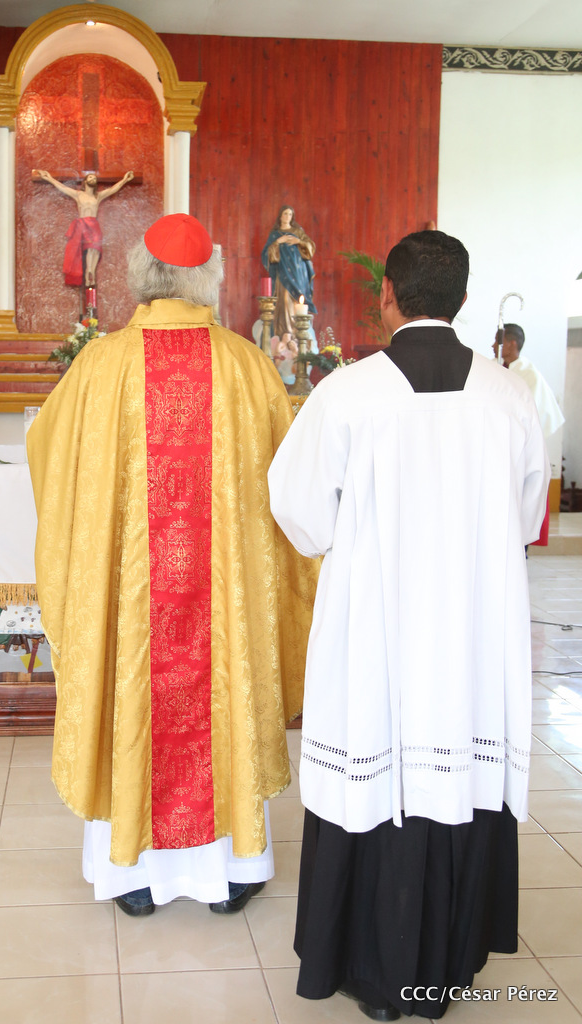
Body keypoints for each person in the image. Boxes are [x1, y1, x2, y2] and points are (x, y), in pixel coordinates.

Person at [268, 230, 549, 1021]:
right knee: (460, 768)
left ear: (387, 294)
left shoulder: (347, 393)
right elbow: (528, 511)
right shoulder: (508, 396)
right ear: (464, 300)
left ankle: (372, 973)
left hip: (375, 628)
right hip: (473, 635)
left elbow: (299, 511)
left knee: (373, 759)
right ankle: (450, 963)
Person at [27, 213, 318, 918]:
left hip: (133, 601)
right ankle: (233, 868)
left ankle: (129, 872)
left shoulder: (101, 365)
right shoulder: (247, 366)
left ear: (140, 276)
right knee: (225, 685)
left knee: (133, 688)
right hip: (223, 598)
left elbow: (48, 454)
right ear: (207, 280)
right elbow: (290, 486)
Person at [495, 323, 564, 547]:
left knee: (519, 509)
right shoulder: (498, 369)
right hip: (501, 451)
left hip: (520, 453)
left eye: (498, 341)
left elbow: (533, 418)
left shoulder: (528, 375)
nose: (493, 345)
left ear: (511, 343)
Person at [34, 169, 134, 287]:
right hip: (82, 225)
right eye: (90, 177)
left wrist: (125, 180)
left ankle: (91, 272)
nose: (93, 179)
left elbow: (112, 189)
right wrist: (49, 178)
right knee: (80, 251)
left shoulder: (98, 196)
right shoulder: (78, 195)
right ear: (85, 181)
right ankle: (87, 274)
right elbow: (62, 187)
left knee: (95, 248)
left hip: (94, 225)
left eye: (94, 178)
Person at [261, 205, 317, 338]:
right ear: (280, 216)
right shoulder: (275, 234)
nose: (287, 217)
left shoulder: (298, 231)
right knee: (285, 300)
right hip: (283, 273)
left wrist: (299, 242)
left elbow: (310, 248)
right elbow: (267, 254)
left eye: (290, 214)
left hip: (298, 272)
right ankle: (285, 332)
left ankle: (298, 334)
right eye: (285, 214)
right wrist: (278, 242)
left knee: (298, 300)